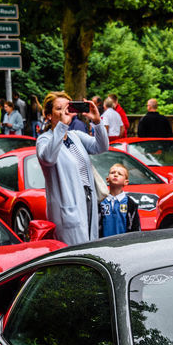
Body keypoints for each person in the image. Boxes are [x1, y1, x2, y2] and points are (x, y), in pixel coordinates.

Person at [36, 92, 109, 245]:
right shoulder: (44, 140)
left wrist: (97, 121)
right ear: (48, 115)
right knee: (75, 251)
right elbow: (48, 158)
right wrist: (62, 125)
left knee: (90, 246)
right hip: (67, 206)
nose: (64, 112)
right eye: (58, 108)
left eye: (67, 107)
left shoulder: (75, 136)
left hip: (88, 199)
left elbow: (101, 147)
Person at [99, 163, 142, 238]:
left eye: (120, 174)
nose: (115, 175)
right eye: (112, 173)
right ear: (107, 179)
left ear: (126, 182)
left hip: (124, 245)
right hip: (102, 245)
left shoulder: (130, 203)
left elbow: (135, 227)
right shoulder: (100, 201)